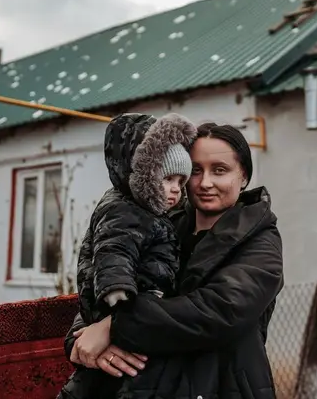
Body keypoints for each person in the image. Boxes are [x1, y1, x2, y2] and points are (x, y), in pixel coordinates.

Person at [63, 122, 284, 398]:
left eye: (220, 170)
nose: (205, 183)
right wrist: (82, 335)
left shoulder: (260, 239)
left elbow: (218, 311)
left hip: (222, 386)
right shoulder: (160, 223)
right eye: (195, 171)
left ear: (244, 177)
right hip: (147, 386)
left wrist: (114, 327)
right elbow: (104, 278)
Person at [58, 112, 197, 398]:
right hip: (123, 305)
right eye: (168, 178)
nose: (175, 190)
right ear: (145, 174)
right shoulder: (125, 211)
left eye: (181, 182)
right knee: (102, 384)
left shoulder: (156, 214)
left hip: (137, 320)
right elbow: (113, 250)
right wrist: (117, 291)